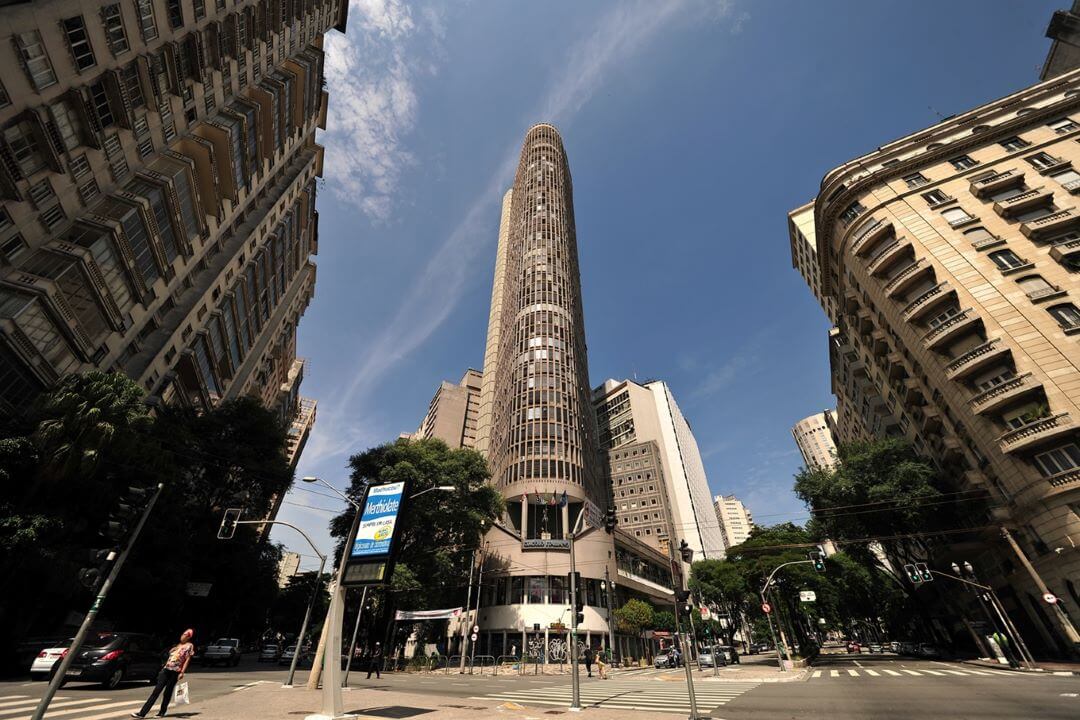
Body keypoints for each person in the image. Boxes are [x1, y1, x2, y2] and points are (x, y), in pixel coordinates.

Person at [132, 629, 194, 718]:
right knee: (156, 691)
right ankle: (142, 713)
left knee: (167, 693)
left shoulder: (190, 646)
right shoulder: (178, 645)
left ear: (188, 637)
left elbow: (187, 660)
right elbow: (171, 656)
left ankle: (162, 712)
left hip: (175, 672)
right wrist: (172, 650)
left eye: (184, 635)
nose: (182, 636)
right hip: (166, 670)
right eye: (182, 634)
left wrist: (182, 672)